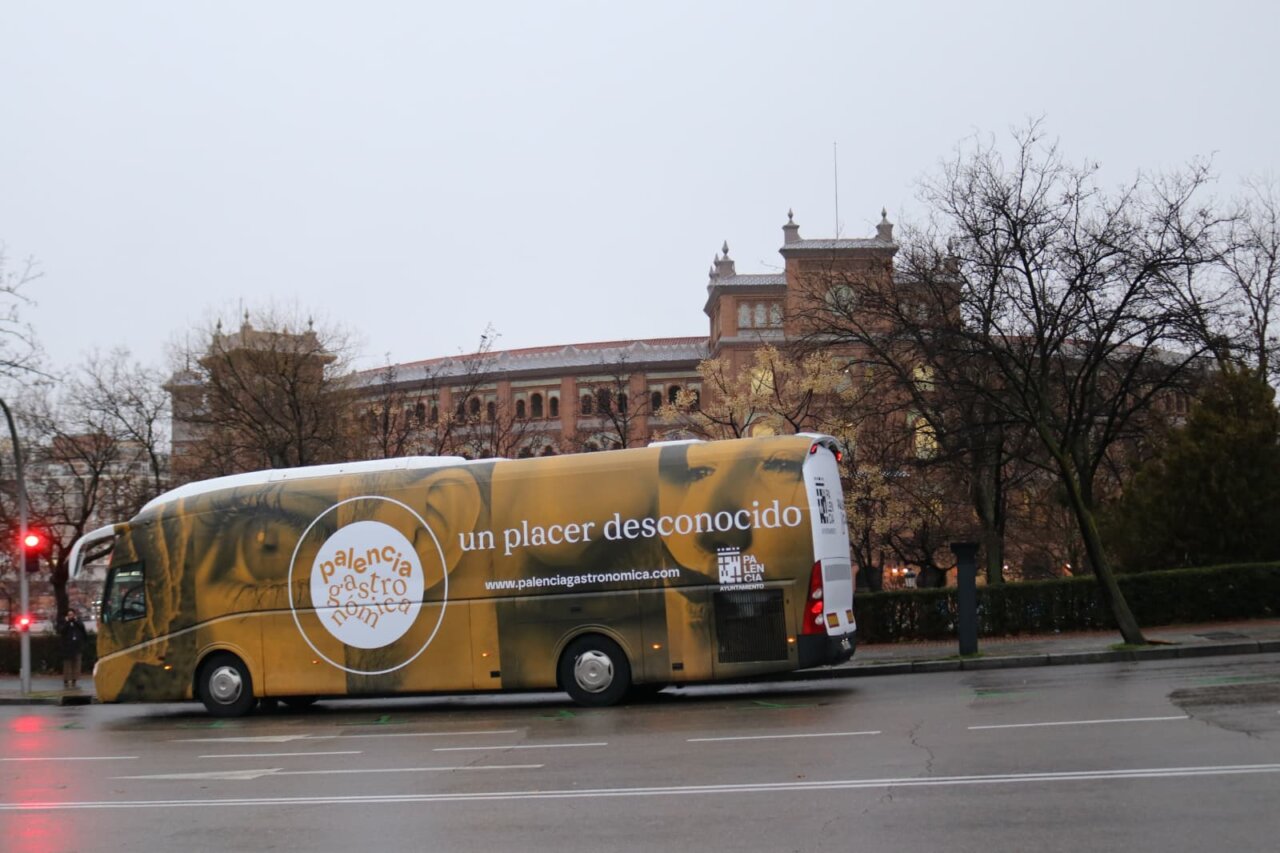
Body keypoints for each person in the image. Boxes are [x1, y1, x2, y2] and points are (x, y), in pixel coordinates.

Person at [60, 609, 88, 689]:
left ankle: (74, 679)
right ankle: (66, 679)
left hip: (77, 646)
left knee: (76, 664)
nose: (70, 616)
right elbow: (62, 631)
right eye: (69, 615)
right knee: (67, 664)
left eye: (72, 615)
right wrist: (67, 622)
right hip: (67, 647)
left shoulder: (78, 623)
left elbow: (82, 629)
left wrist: (75, 621)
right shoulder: (65, 623)